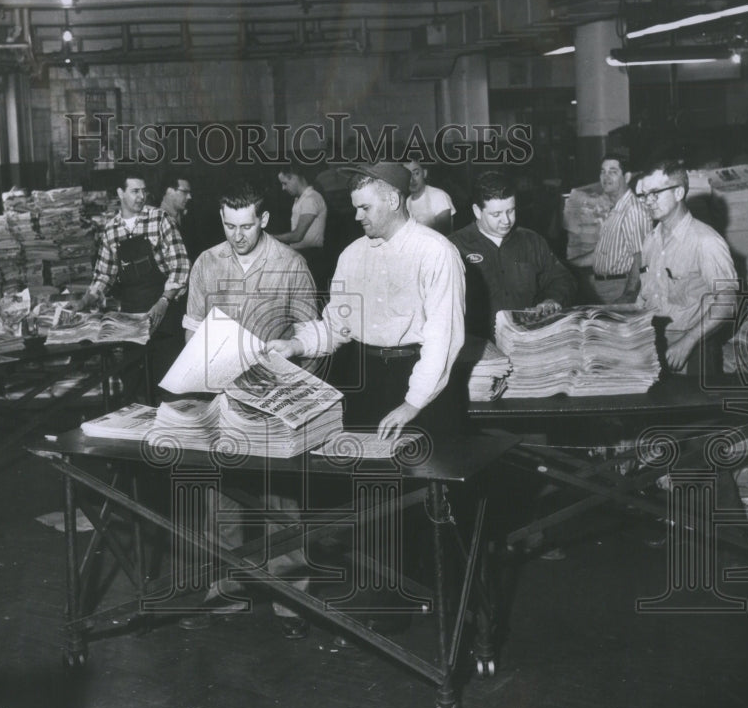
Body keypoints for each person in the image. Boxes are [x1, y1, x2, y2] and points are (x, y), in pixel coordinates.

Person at [268, 161, 465, 640]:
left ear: (394, 201)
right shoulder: (354, 254)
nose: (355, 216)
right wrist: (295, 344)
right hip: (368, 377)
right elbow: (338, 324)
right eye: (354, 207)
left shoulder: (436, 252)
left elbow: (443, 338)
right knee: (372, 502)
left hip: (423, 384)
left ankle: (447, 612)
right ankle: (381, 610)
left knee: (429, 504)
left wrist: (413, 403)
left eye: (364, 207)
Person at [180, 183, 320, 639]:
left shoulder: (290, 264)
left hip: (274, 398)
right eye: (228, 226)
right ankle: (227, 589)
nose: (237, 236)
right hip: (223, 396)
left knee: (282, 499)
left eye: (246, 226)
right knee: (222, 495)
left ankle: (291, 597)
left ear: (262, 220)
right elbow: (192, 331)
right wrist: (201, 374)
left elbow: (310, 336)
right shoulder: (206, 263)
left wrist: (287, 370)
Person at [77, 170, 191, 395]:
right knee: (134, 385)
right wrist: (88, 298)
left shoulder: (160, 219)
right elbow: (104, 274)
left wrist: (165, 300)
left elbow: (181, 266)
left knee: (168, 387)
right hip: (131, 318)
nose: (141, 196)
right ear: (120, 193)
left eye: (144, 191)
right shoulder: (111, 230)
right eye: (135, 191)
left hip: (163, 315)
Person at [636, 159, 737, 376]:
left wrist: (687, 342)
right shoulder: (650, 241)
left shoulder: (706, 241)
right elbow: (645, 295)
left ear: (679, 193)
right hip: (652, 347)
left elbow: (728, 305)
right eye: (644, 195)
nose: (648, 201)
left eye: (655, 193)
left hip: (693, 351)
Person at [450, 170, 576, 340]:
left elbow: (561, 278)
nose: (506, 220)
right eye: (496, 214)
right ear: (477, 211)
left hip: (526, 340)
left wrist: (552, 299)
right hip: (477, 345)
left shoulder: (532, 241)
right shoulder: (454, 246)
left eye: (510, 211)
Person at [587, 154, 653, 304]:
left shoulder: (633, 210)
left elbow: (640, 259)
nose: (606, 176)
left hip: (618, 289)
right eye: (602, 171)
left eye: (613, 171)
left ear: (627, 176)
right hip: (604, 288)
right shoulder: (617, 208)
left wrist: (628, 296)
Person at [274, 162, 329, 293]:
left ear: (294, 177)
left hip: (312, 257)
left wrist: (270, 238)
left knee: (310, 300)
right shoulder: (300, 199)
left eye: (285, 183)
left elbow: (298, 235)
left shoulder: (311, 198)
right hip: (303, 255)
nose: (283, 188)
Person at [404, 159, 455, 236]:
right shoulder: (406, 202)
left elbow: (444, 234)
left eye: (416, 173)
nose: (412, 180)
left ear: (425, 173)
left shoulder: (439, 196)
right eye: (408, 175)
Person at [158, 173, 199, 260]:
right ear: (170, 191)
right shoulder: (158, 221)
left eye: (189, 193)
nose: (189, 197)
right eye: (185, 192)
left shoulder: (186, 217)